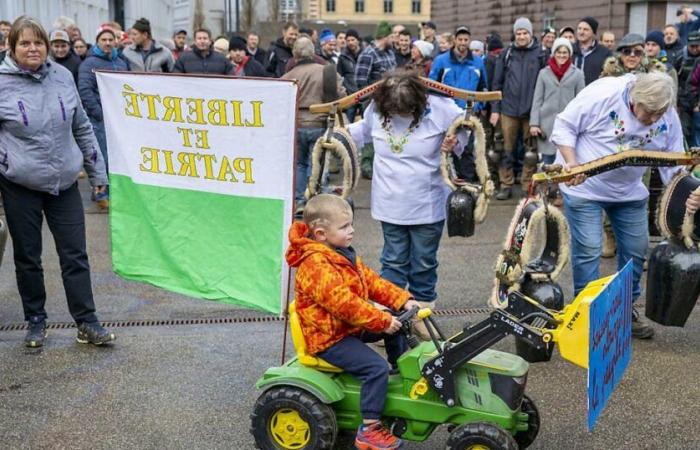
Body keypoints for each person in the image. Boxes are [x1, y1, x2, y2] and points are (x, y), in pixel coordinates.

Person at [551, 71, 700, 339]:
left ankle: (624, 311)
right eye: (649, 112)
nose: (654, 119)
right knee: (589, 249)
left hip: (629, 192)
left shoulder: (666, 113)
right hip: (585, 187)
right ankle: (586, 316)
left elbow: (673, 161)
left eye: (660, 113)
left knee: (635, 250)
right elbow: (564, 126)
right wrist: (571, 163)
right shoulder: (603, 94)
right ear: (635, 99)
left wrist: (688, 191)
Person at [0, 16, 116, 348]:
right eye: (25, 43)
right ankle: (35, 320)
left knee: (75, 254)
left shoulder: (63, 77)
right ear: (13, 47)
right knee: (28, 256)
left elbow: (82, 127)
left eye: (38, 42)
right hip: (19, 184)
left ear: (47, 47)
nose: (32, 48)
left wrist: (98, 175)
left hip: (64, 181)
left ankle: (87, 322)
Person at [286, 194, 419, 450]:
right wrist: (381, 321)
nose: (352, 230)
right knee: (374, 368)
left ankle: (398, 373)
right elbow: (345, 305)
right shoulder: (315, 265)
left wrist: (402, 301)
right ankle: (369, 429)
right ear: (322, 233)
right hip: (329, 338)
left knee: (396, 323)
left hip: (346, 327)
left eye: (351, 225)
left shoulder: (341, 253)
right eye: (345, 227)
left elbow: (372, 282)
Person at [347, 71, 470, 320]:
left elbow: (464, 127)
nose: (399, 114)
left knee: (423, 261)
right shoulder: (376, 110)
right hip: (389, 202)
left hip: (427, 202)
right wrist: (339, 135)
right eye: (394, 110)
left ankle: (420, 313)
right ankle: (389, 314)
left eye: (405, 110)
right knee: (393, 259)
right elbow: (362, 130)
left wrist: (454, 141)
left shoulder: (441, 107)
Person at [281, 37, 345, 211]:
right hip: (319, 124)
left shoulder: (287, 76)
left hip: (296, 126)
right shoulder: (327, 71)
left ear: (294, 54)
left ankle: (300, 200)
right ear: (313, 51)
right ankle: (314, 199)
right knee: (317, 163)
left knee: (300, 164)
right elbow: (341, 95)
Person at [491, 17, 546, 200]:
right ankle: (505, 184)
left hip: (531, 111)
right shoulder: (506, 54)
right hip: (508, 109)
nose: (521, 36)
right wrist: (495, 109)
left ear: (531, 34)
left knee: (530, 152)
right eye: (518, 33)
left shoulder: (540, 54)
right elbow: (496, 84)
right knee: (504, 149)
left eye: (525, 33)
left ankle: (526, 185)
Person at [78, 25, 129, 176]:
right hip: (100, 119)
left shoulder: (121, 63)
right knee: (103, 157)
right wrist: (99, 114)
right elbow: (85, 91)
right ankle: (101, 192)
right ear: (97, 42)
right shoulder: (88, 64)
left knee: (119, 158)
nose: (107, 42)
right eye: (103, 40)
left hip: (119, 118)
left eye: (110, 39)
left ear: (115, 42)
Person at [529, 38, 585, 165]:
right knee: (547, 161)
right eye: (559, 52)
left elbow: (581, 101)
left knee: (566, 160)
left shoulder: (577, 74)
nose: (562, 55)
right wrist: (534, 123)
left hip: (568, 123)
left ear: (569, 54)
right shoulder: (543, 73)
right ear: (554, 53)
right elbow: (537, 99)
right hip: (547, 124)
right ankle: (547, 185)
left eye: (565, 52)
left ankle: (562, 186)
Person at [355, 21, 396, 89]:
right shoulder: (368, 54)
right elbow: (360, 83)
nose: (393, 40)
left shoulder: (390, 53)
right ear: (385, 37)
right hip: (376, 97)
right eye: (391, 37)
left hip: (391, 96)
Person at [573, 16, 611, 85]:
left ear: (593, 33)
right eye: (579, 28)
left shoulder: (604, 53)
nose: (581, 32)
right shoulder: (570, 50)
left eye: (585, 29)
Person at [679, 31, 700, 145]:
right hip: (685, 103)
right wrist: (695, 104)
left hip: (694, 102)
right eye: (692, 46)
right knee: (686, 132)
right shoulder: (680, 57)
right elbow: (691, 83)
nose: (695, 49)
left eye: (697, 46)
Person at [338, 28, 361, 121]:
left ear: (357, 40)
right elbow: (339, 76)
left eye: (353, 40)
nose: (350, 42)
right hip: (350, 95)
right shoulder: (343, 57)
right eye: (348, 40)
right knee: (348, 123)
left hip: (363, 93)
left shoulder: (365, 54)